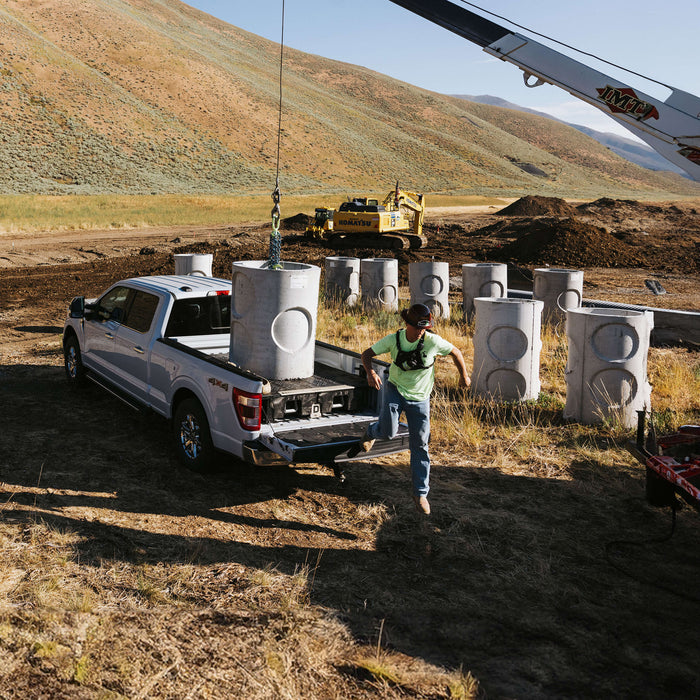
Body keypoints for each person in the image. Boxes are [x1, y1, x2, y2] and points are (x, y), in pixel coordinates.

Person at [355, 303, 470, 515]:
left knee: (420, 445)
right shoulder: (394, 340)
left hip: (420, 400)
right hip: (395, 391)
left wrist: (464, 376)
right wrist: (370, 373)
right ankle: (372, 431)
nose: (421, 331)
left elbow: (456, 351)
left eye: (424, 327)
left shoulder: (432, 341)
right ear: (407, 324)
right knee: (388, 432)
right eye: (417, 327)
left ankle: (420, 493)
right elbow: (366, 354)